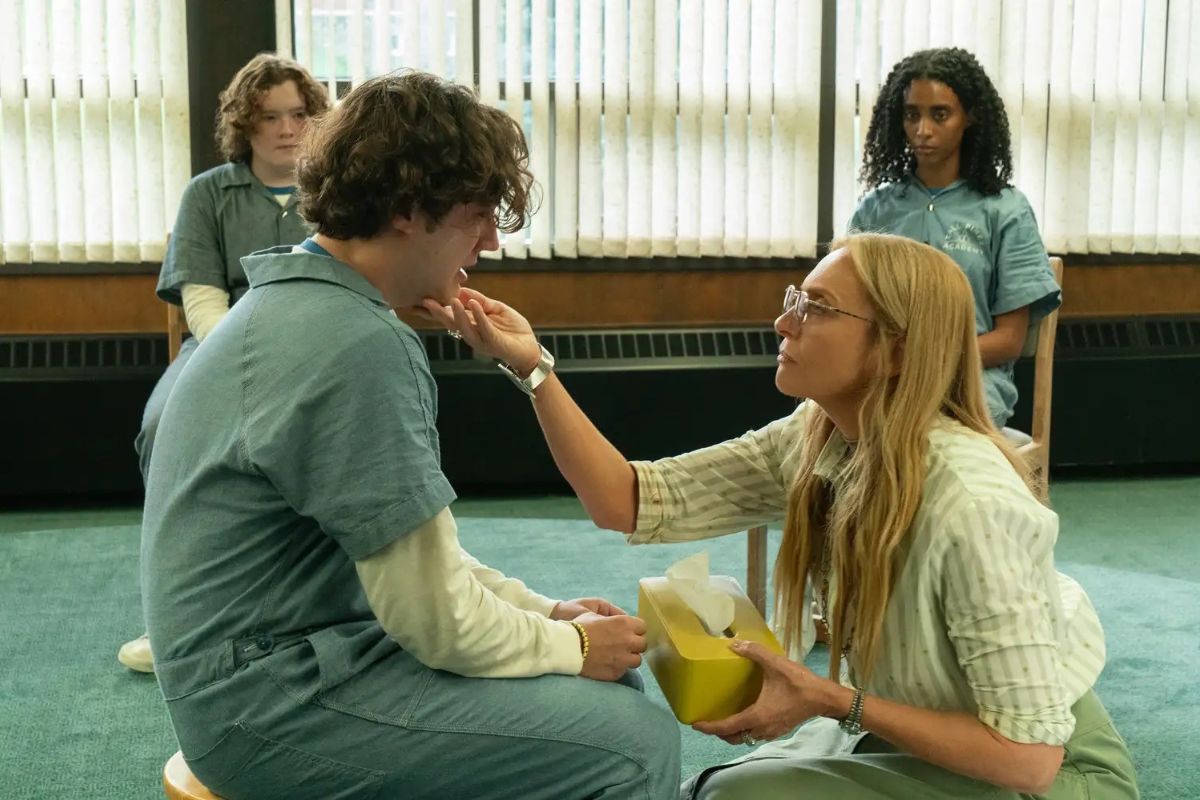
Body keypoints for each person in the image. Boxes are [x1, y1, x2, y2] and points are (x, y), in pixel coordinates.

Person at [427, 233, 1139, 799]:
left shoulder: (975, 503)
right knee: (709, 791)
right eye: (796, 297)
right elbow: (628, 499)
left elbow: (1031, 759)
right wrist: (531, 368)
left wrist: (830, 700)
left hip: (1047, 775)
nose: (782, 320)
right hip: (913, 729)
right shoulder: (818, 434)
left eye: (818, 308)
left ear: (895, 348)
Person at [140, 71, 680, 800]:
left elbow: (414, 560)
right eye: (477, 214)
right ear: (405, 208)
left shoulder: (289, 304)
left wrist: (544, 613)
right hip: (269, 709)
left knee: (605, 703)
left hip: (263, 671)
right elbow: (435, 619)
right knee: (630, 741)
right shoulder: (356, 344)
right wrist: (572, 644)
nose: (490, 239)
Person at [118, 53, 331, 673]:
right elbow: (202, 299)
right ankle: (175, 619)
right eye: (269, 117)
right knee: (162, 427)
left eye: (298, 114)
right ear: (245, 124)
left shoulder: (339, 190)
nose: (287, 129)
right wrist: (238, 360)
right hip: (218, 344)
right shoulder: (207, 194)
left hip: (320, 339)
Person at [850, 47, 1061, 429]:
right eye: (911, 114)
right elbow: (849, 315)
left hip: (971, 382)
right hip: (885, 377)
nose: (922, 130)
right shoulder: (875, 210)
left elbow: (1009, 340)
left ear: (970, 117)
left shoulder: (1006, 210)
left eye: (940, 114)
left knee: (915, 429)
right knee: (823, 423)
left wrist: (922, 360)